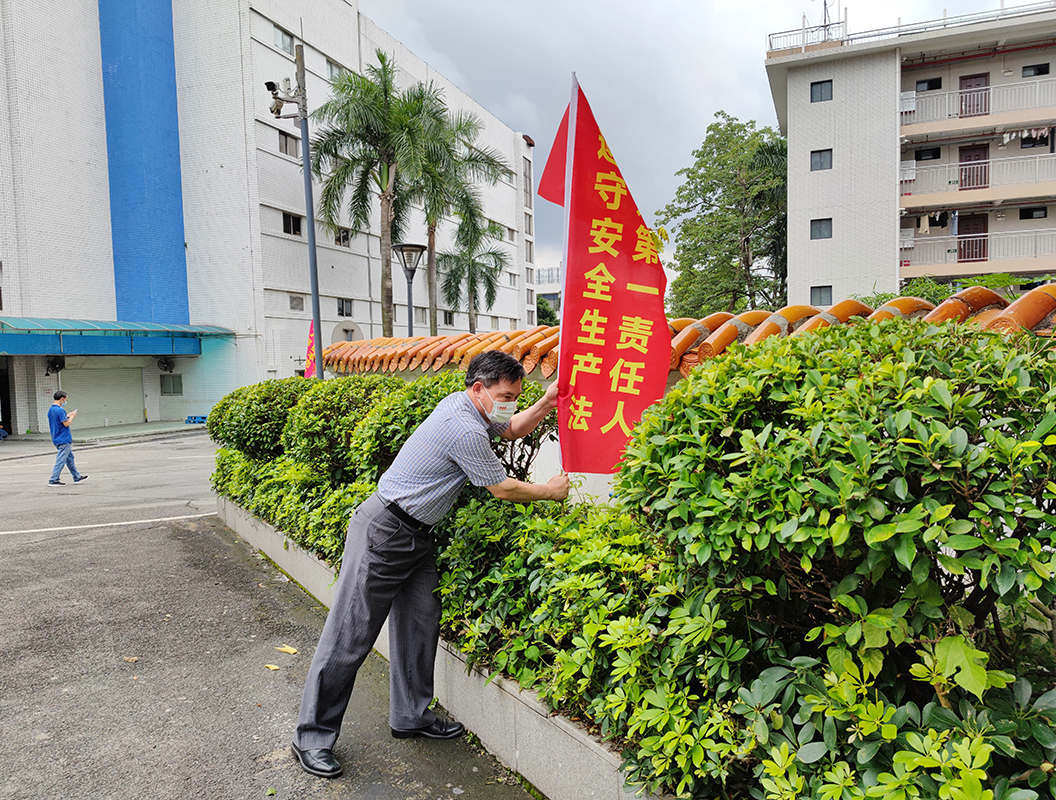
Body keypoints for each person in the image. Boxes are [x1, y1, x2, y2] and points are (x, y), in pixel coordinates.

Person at [291, 350, 570, 779]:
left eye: (516, 395)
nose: (510, 402)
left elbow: (512, 428)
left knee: (420, 624)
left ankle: (411, 716)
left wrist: (547, 402)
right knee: (350, 634)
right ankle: (312, 736)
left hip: (416, 536)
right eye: (505, 395)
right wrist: (549, 492)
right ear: (479, 389)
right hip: (384, 532)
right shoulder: (464, 428)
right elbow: (501, 488)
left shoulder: (470, 407)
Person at [48, 390, 88, 486]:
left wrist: (67, 416)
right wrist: (72, 416)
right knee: (61, 459)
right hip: (63, 438)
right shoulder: (60, 410)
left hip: (56, 437)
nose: (65, 401)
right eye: (65, 399)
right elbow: (66, 423)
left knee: (69, 458)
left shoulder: (51, 410)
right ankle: (53, 479)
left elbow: (59, 421)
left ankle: (76, 476)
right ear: (62, 399)